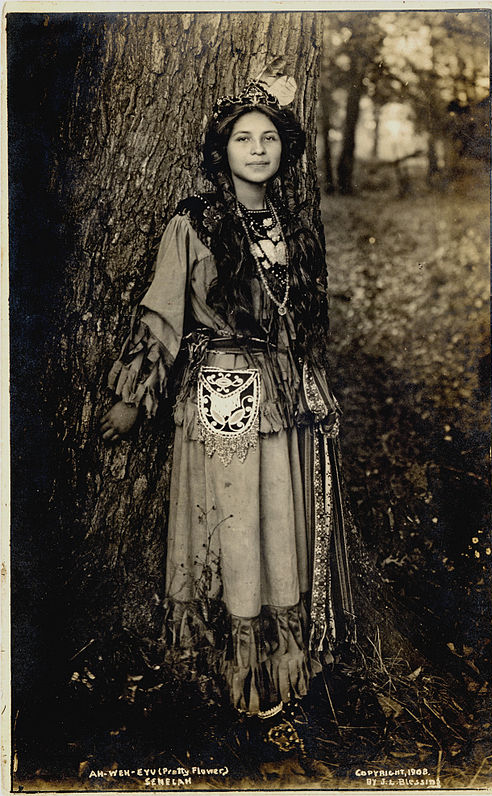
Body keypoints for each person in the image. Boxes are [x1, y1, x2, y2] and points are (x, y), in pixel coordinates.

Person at [100, 80, 355, 748]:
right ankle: (232, 669)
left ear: (286, 148)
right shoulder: (194, 222)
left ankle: (283, 663)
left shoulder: (293, 226)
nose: (258, 148)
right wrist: (134, 397)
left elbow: (304, 322)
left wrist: (310, 381)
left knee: (279, 517)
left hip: (284, 396)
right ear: (223, 149)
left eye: (269, 137)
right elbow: (163, 310)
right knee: (236, 522)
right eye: (244, 137)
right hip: (223, 391)